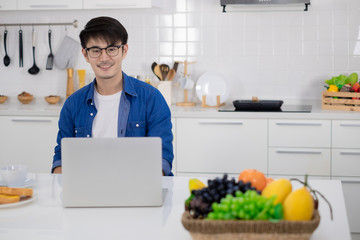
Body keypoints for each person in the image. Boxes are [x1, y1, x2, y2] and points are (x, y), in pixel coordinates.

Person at [52, 16, 173, 176]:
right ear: (85, 54)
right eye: (95, 50)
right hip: (87, 191)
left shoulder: (151, 98)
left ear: (124, 51)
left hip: (137, 190)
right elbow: (61, 160)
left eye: (111, 49)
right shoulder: (72, 105)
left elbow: (162, 160)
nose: (104, 58)